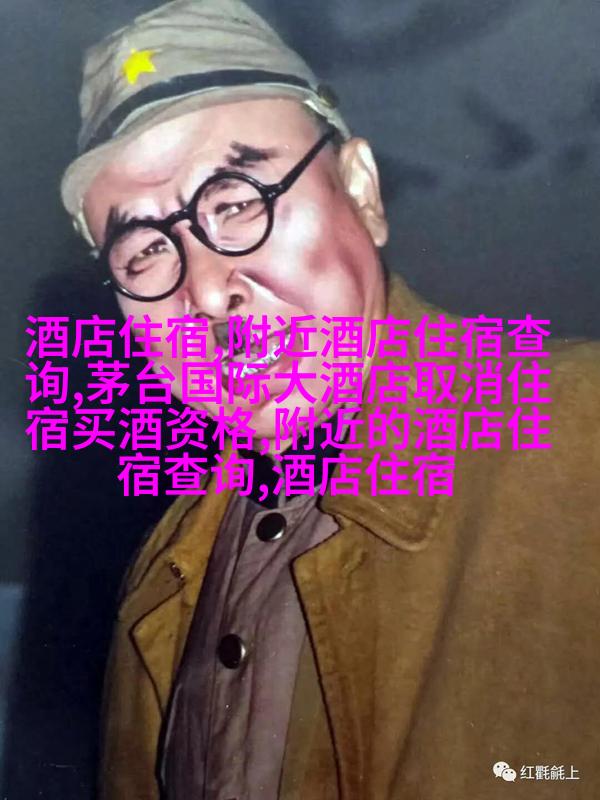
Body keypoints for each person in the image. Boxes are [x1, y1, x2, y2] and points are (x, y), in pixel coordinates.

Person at [60, 1, 600, 798]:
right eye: (143, 253)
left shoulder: (583, 433)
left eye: (236, 201)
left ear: (361, 190)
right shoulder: (160, 580)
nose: (206, 292)